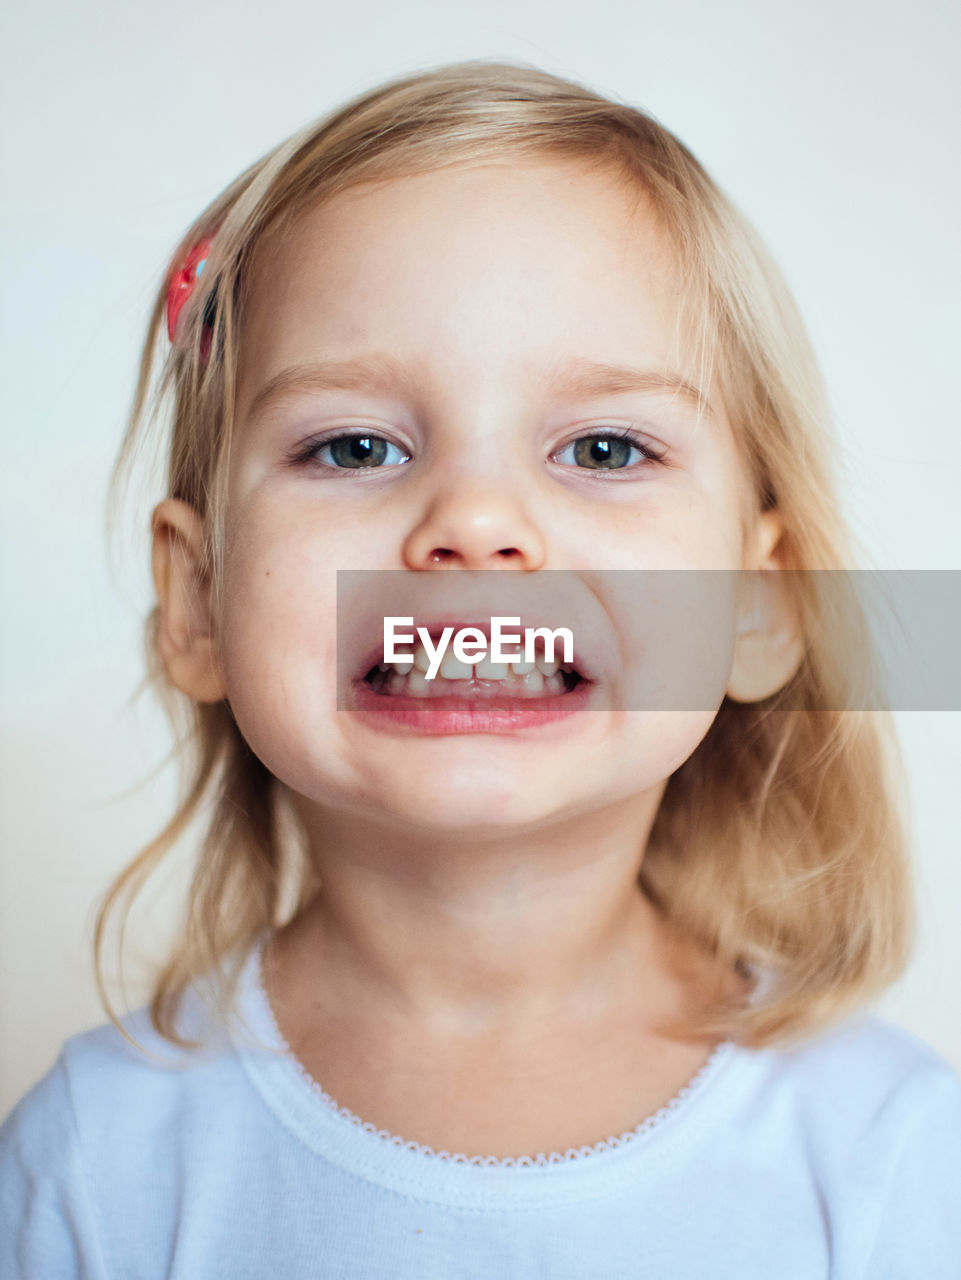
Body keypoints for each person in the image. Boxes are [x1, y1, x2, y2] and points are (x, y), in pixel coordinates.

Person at [1, 59, 959, 1279]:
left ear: (755, 607)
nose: (476, 519)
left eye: (603, 446)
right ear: (197, 602)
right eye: (354, 445)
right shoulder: (97, 1161)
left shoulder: (885, 1153)